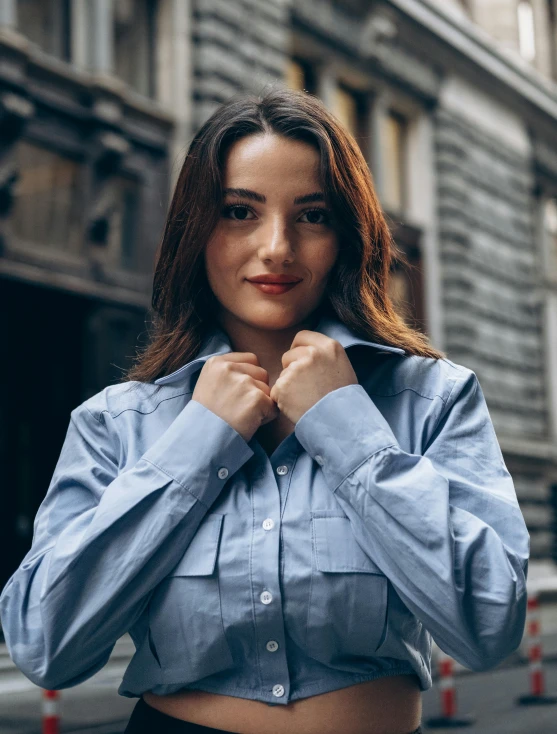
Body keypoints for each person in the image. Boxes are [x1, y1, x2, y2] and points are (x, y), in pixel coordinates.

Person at [0, 87, 530, 734]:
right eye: (238, 211)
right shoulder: (120, 422)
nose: (276, 247)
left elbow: (488, 628)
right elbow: (45, 646)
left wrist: (348, 430)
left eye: (311, 216)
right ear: (196, 231)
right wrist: (195, 445)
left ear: (346, 234)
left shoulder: (432, 399)